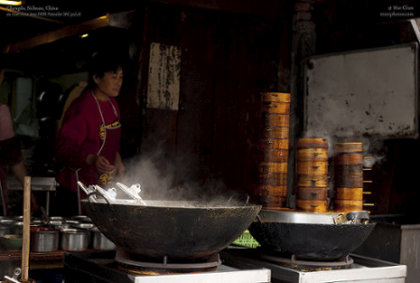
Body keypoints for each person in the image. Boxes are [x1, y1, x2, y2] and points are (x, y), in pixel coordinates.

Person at [54, 51, 125, 216]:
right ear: (96, 78)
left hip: (103, 187)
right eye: (114, 77)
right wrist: (91, 158)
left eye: (121, 77)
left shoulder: (113, 104)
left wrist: (118, 160)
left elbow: (109, 143)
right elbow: (63, 149)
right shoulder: (82, 107)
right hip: (77, 188)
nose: (119, 83)